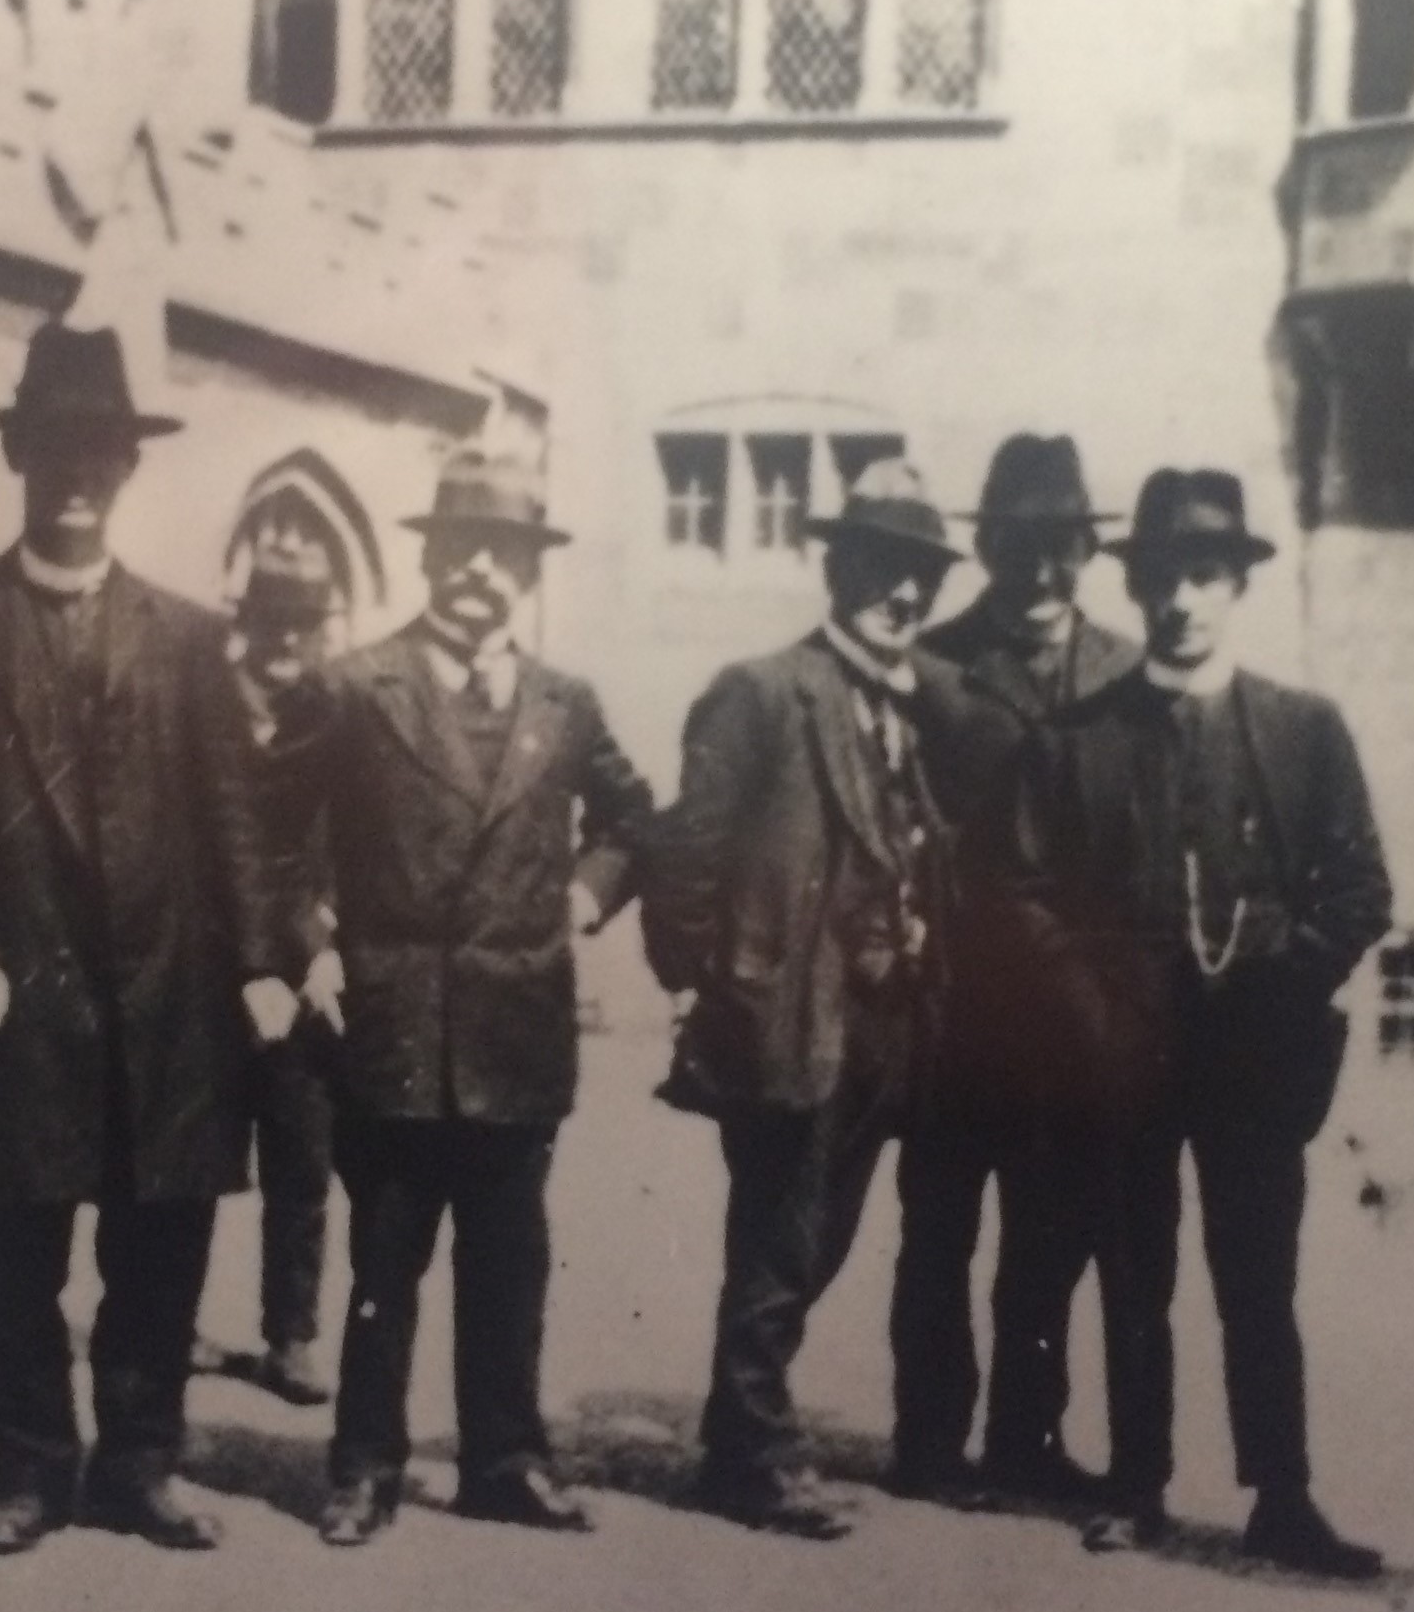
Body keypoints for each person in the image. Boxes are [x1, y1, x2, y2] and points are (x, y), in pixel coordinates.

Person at [0, 323, 290, 1559]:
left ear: (126, 467)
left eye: (98, 449)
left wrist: (261, 959)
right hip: (19, 988)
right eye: (53, 446)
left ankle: (139, 1462)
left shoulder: (184, 636)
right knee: (22, 1247)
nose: (75, 472)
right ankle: (27, 1468)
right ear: (18, 457)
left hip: (171, 1000)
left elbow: (235, 818)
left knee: (160, 1241)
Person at [262, 448, 653, 1548]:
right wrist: (314, 940)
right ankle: (362, 1465)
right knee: (384, 1258)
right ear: (427, 556)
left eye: (507, 553)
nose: (482, 571)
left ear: (525, 572)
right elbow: (274, 836)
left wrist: (583, 897)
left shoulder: (564, 703)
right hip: (388, 1023)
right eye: (463, 548)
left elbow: (631, 820)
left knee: (507, 1258)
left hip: (514, 1025)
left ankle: (505, 1458)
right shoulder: (354, 684)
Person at [1017, 467, 1389, 1578]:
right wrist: (1087, 1007)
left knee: (1256, 1280)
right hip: (1120, 1054)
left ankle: (1280, 1496)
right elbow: (1026, 893)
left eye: (1203, 575)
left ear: (1235, 585)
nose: (1181, 598)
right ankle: (1137, 1486)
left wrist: (1283, 984)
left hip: (1255, 1056)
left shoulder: (1301, 729)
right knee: (1134, 1270)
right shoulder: (1078, 734)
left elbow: (1359, 888)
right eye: (1161, 577)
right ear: (1131, 587)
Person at [642, 457, 963, 1541]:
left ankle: (738, 1423)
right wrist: (715, 982)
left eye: (921, 574)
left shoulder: (916, 705)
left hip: (883, 1023)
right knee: (779, 1234)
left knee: (816, 1237)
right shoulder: (764, 688)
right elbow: (685, 849)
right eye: (882, 566)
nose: (904, 594)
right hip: (784, 1015)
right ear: (837, 565)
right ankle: (755, 1453)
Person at [889, 432, 1135, 1508]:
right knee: (937, 1231)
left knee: (1050, 1232)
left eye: (1062, 548)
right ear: (986, 545)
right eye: (1019, 546)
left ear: (1086, 549)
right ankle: (929, 1440)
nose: (1041, 573)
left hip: (1071, 1015)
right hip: (952, 1007)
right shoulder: (929, 664)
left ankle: (1025, 1436)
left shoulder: (1125, 669)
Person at [188, 541, 344, 1409]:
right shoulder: (196, 704)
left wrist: (321, 943)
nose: (290, 641)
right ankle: (176, 1318)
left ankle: (292, 1335)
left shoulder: (332, 713)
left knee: (301, 1154)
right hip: (206, 967)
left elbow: (345, 846)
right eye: (275, 621)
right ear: (243, 623)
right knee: (194, 1153)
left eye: (306, 625)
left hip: (302, 966)